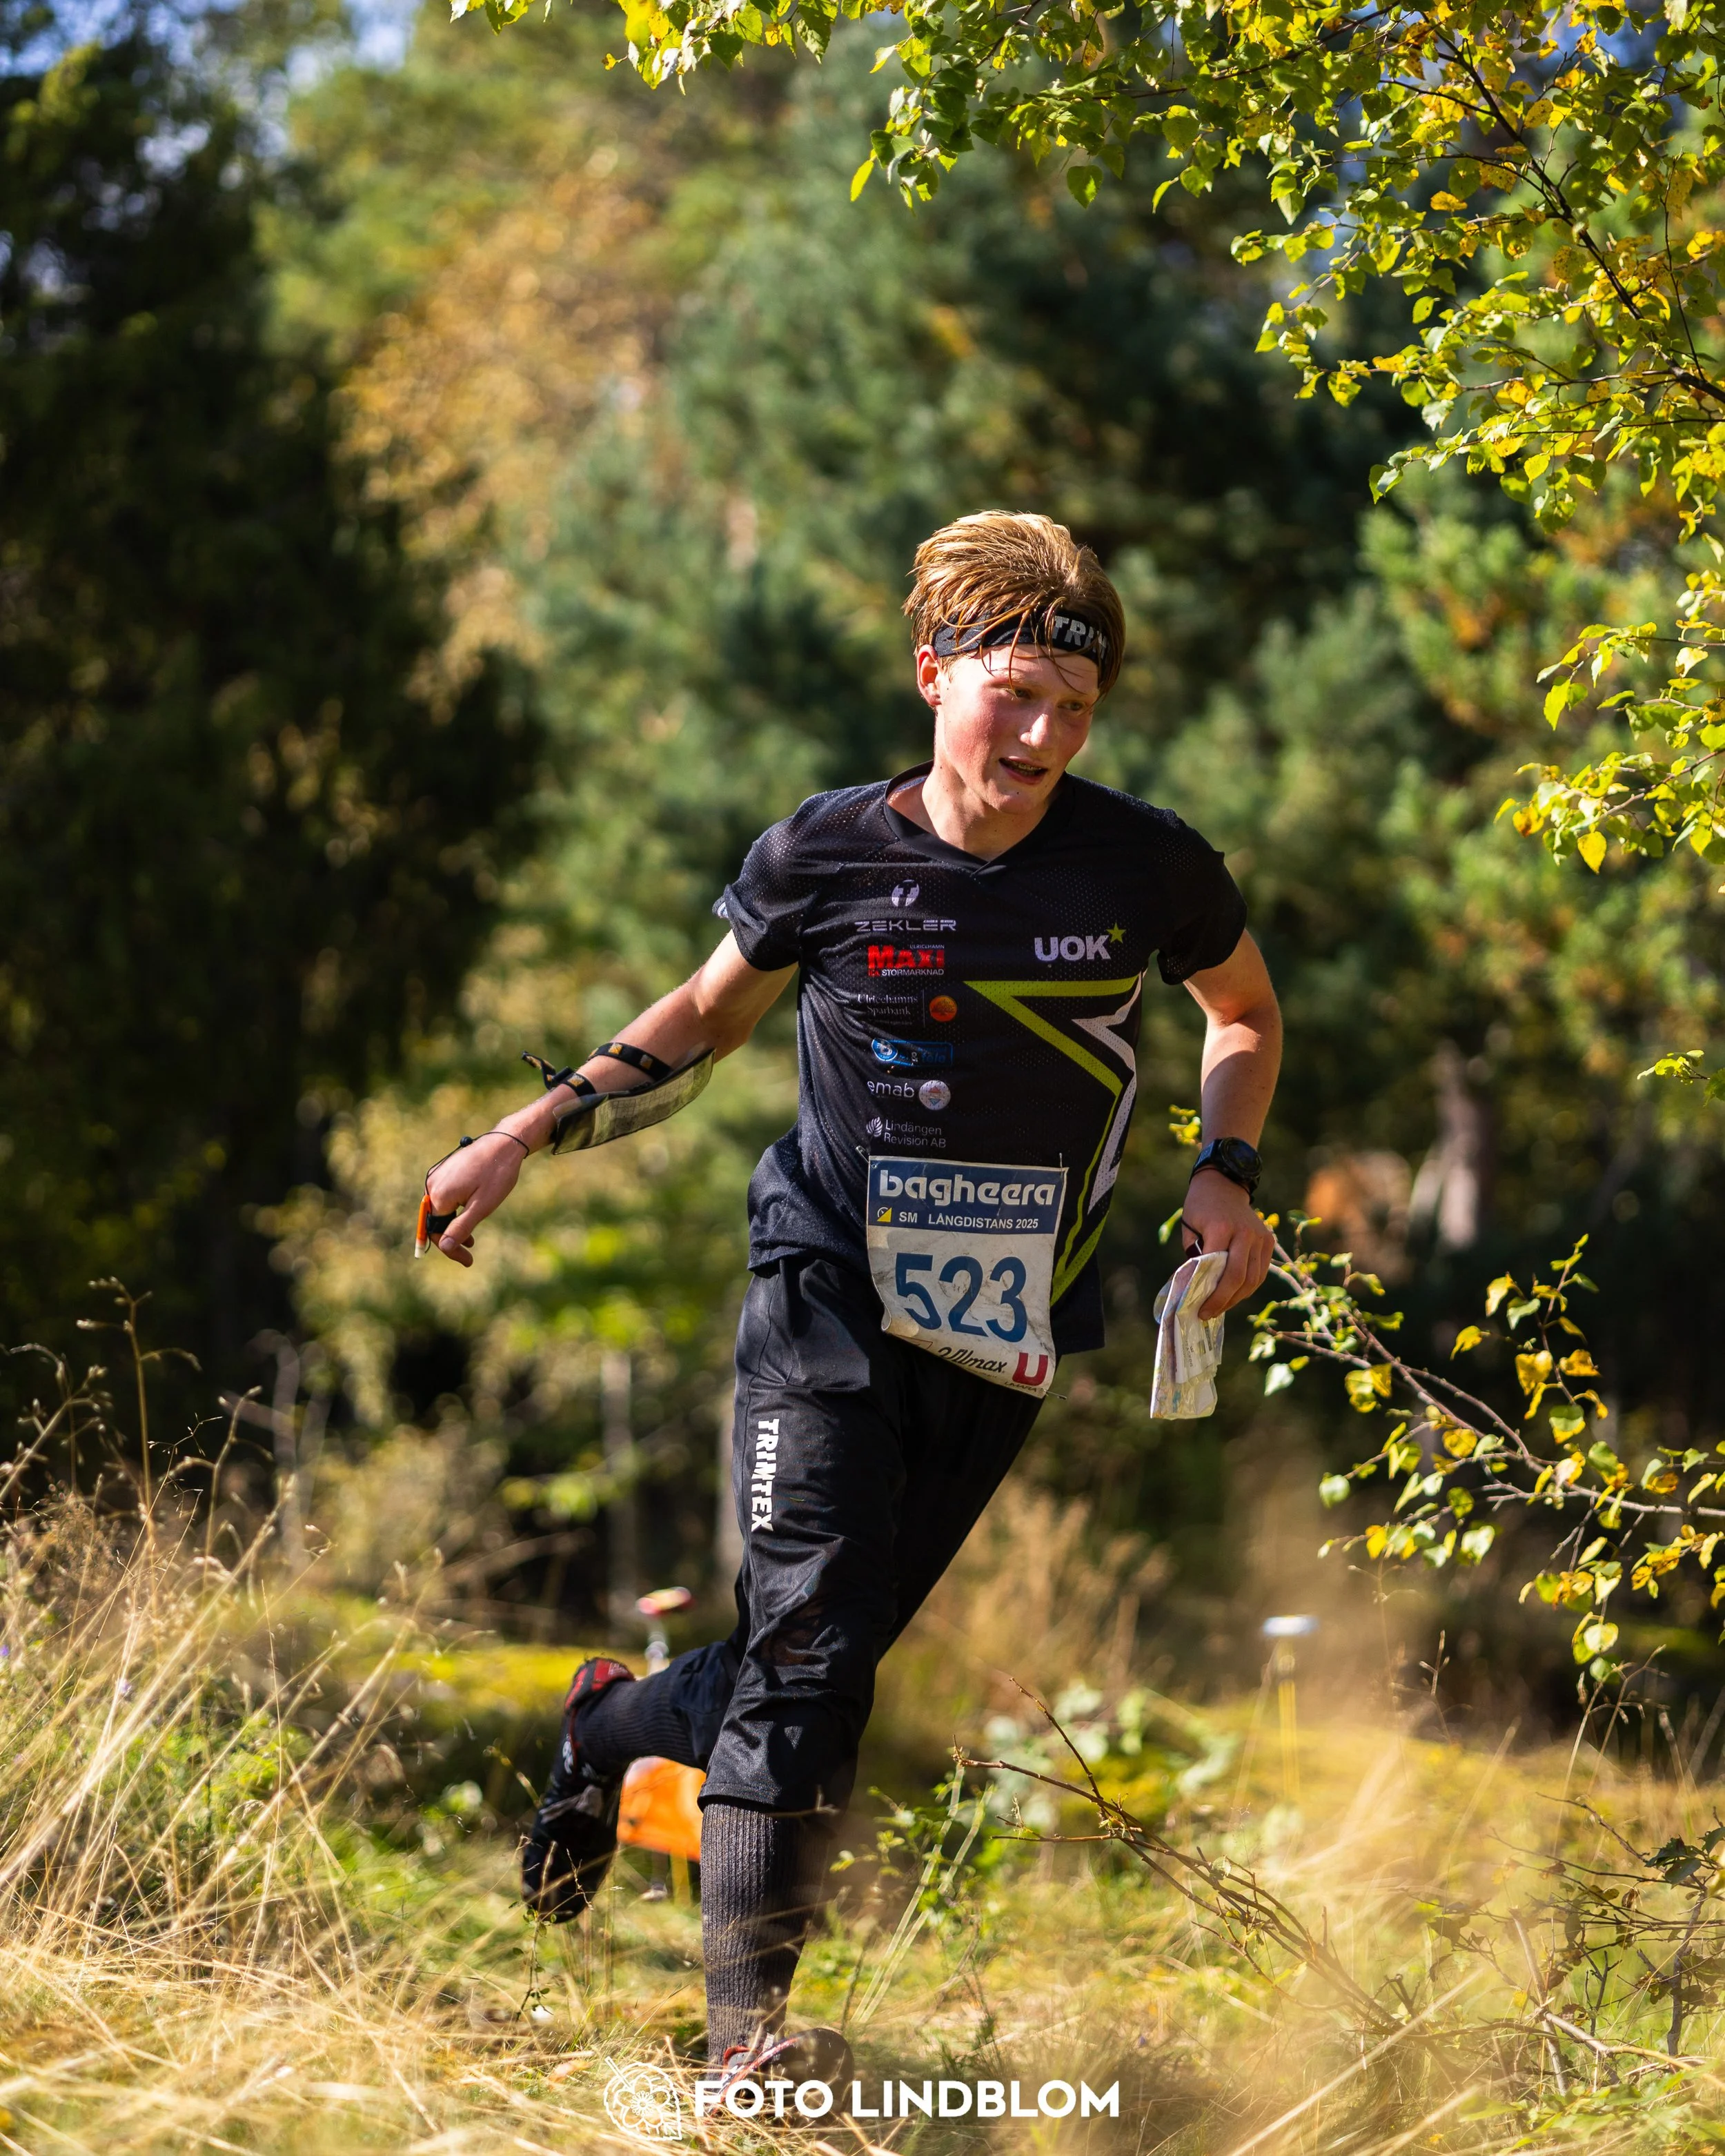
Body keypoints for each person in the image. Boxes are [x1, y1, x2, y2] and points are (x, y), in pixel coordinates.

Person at [422, 511, 1281, 2092]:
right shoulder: (825, 853)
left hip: (1007, 1316)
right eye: (1012, 694)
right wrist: (523, 1132)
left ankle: (606, 1728)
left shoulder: (1142, 862)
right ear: (931, 672)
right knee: (812, 1654)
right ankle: (747, 2045)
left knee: (810, 1653)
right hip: (822, 1276)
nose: (1040, 736)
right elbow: (702, 1017)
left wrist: (1224, 1171)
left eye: (1072, 709)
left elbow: (1240, 1010)